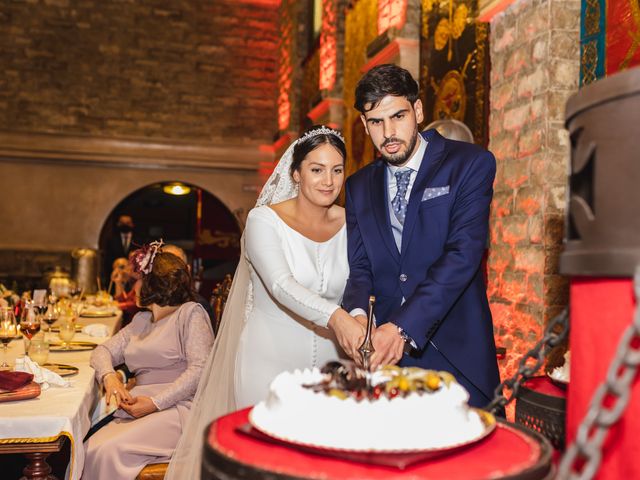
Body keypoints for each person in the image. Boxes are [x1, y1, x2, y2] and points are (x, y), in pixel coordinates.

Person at [166, 125, 364, 480]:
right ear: (296, 173)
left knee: (324, 466)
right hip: (269, 364)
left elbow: (361, 284)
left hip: (333, 368)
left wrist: (361, 318)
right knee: (266, 466)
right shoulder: (264, 220)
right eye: (316, 169)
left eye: (337, 170)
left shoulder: (352, 224)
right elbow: (279, 283)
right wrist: (337, 317)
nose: (328, 180)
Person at [343, 64, 500, 408]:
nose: (388, 133)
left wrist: (400, 328)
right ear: (364, 125)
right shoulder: (357, 187)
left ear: (417, 111)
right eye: (376, 122)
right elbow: (360, 266)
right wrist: (359, 321)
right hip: (384, 361)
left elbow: (463, 255)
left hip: (457, 354)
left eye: (398, 116)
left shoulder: (470, 164)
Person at [83, 244, 215, 480]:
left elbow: (200, 370)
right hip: (139, 405)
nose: (133, 286)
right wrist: (110, 377)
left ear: (152, 284)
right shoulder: (141, 320)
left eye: (138, 280)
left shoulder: (190, 314)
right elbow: (101, 351)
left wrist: (154, 403)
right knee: (88, 448)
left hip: (179, 408)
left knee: (108, 451)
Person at [161, 244, 216, 332]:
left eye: (174, 267)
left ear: (187, 270)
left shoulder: (196, 308)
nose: (169, 274)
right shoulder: (155, 302)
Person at [104, 215, 142, 284]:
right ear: (118, 224)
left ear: (132, 224)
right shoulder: (111, 239)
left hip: (133, 279)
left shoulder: (139, 240)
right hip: (116, 276)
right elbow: (108, 259)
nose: (125, 225)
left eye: (127, 223)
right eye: (122, 223)